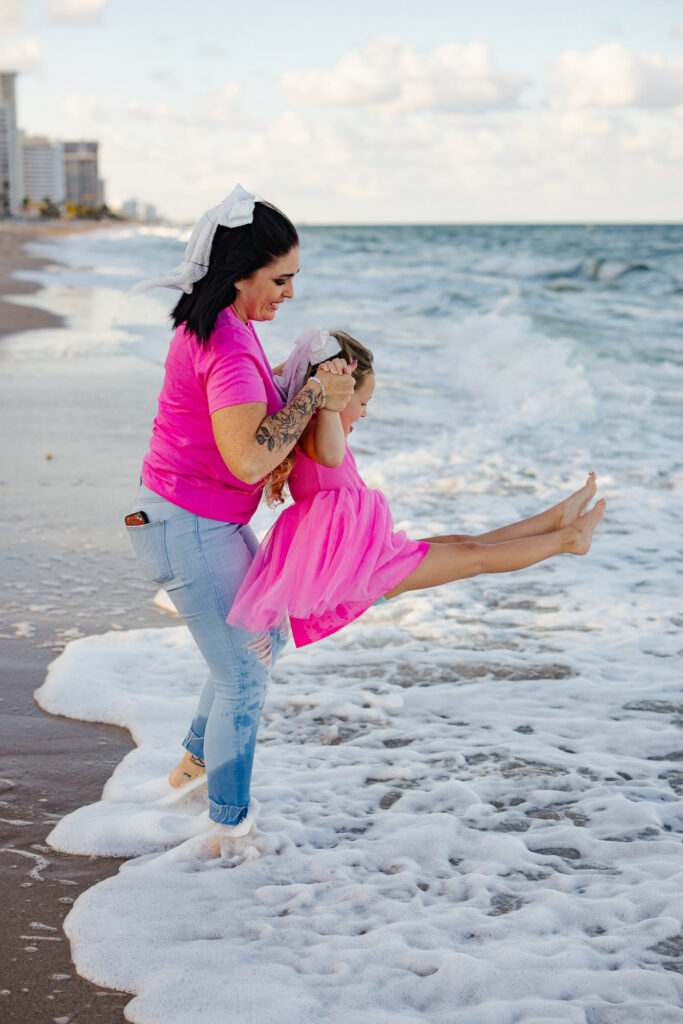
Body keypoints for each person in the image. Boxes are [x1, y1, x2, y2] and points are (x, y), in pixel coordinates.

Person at [125, 186, 355, 843]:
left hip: (196, 520)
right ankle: (228, 831)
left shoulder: (228, 325)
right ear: (240, 271)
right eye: (280, 279)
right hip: (187, 527)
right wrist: (312, 394)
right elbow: (249, 459)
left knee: (258, 645)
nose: (287, 293)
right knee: (244, 680)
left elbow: (239, 421)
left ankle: (191, 769)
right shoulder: (226, 344)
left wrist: (301, 380)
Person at [228, 329, 606, 647]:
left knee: (464, 542)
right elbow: (328, 455)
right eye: (361, 401)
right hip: (357, 565)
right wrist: (329, 400)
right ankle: (568, 540)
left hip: (364, 553)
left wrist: (329, 392)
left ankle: (556, 519)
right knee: (475, 557)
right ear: (340, 394)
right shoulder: (316, 426)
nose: (364, 412)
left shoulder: (314, 421)